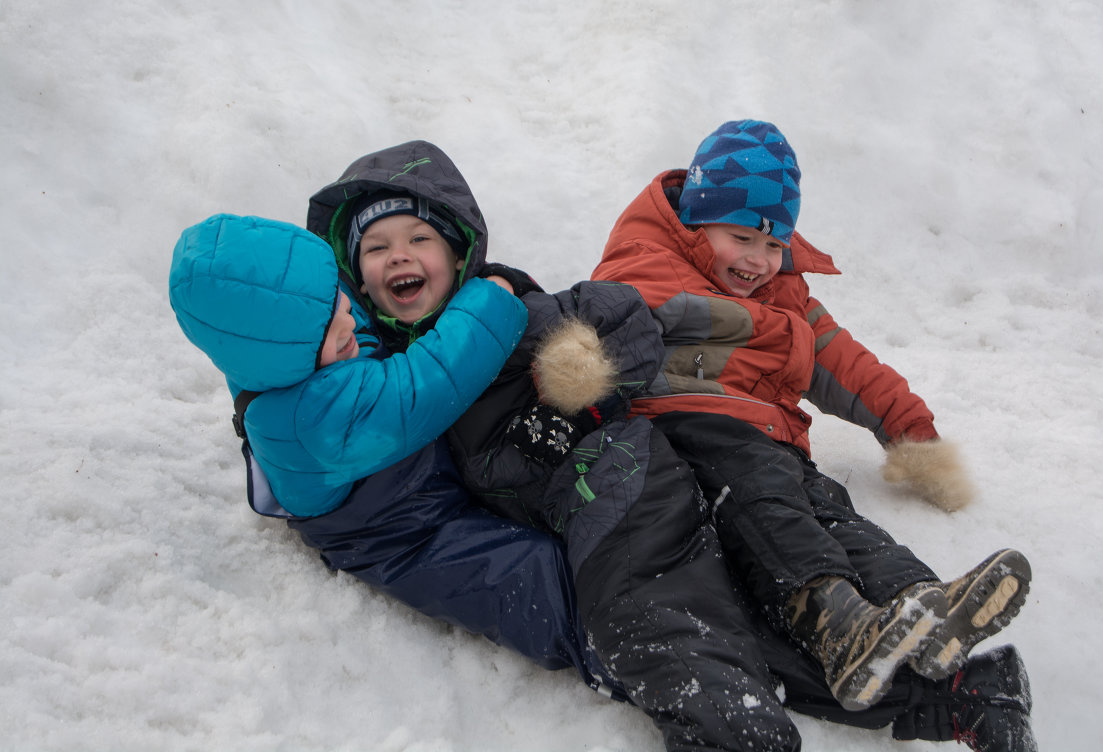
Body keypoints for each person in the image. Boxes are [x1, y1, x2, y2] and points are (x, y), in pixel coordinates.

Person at [308, 140, 1037, 751]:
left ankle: (811, 676)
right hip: (630, 477)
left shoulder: (503, 302)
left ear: (459, 248)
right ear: (355, 271)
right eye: (377, 246)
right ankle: (960, 694)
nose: (398, 256)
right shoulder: (383, 369)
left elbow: (618, 314)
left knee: (665, 603)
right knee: (733, 595)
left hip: (620, 471)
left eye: (418, 239)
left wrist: (578, 374)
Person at [590, 119, 1037, 745]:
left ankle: (919, 602)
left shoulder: (785, 291)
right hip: (696, 435)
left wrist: (912, 429)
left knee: (835, 515)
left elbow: (844, 361)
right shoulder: (645, 266)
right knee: (772, 515)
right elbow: (597, 325)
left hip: (774, 444)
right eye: (740, 237)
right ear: (696, 221)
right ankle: (834, 619)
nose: (757, 260)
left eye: (773, 245)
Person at [167, 211, 618, 696]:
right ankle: (625, 654)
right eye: (334, 325)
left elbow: (333, 314)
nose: (348, 315)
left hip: (415, 477)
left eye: (340, 299)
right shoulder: (312, 418)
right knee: (532, 584)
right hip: (406, 534)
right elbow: (427, 381)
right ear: (283, 352)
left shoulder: (279, 347)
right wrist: (491, 297)